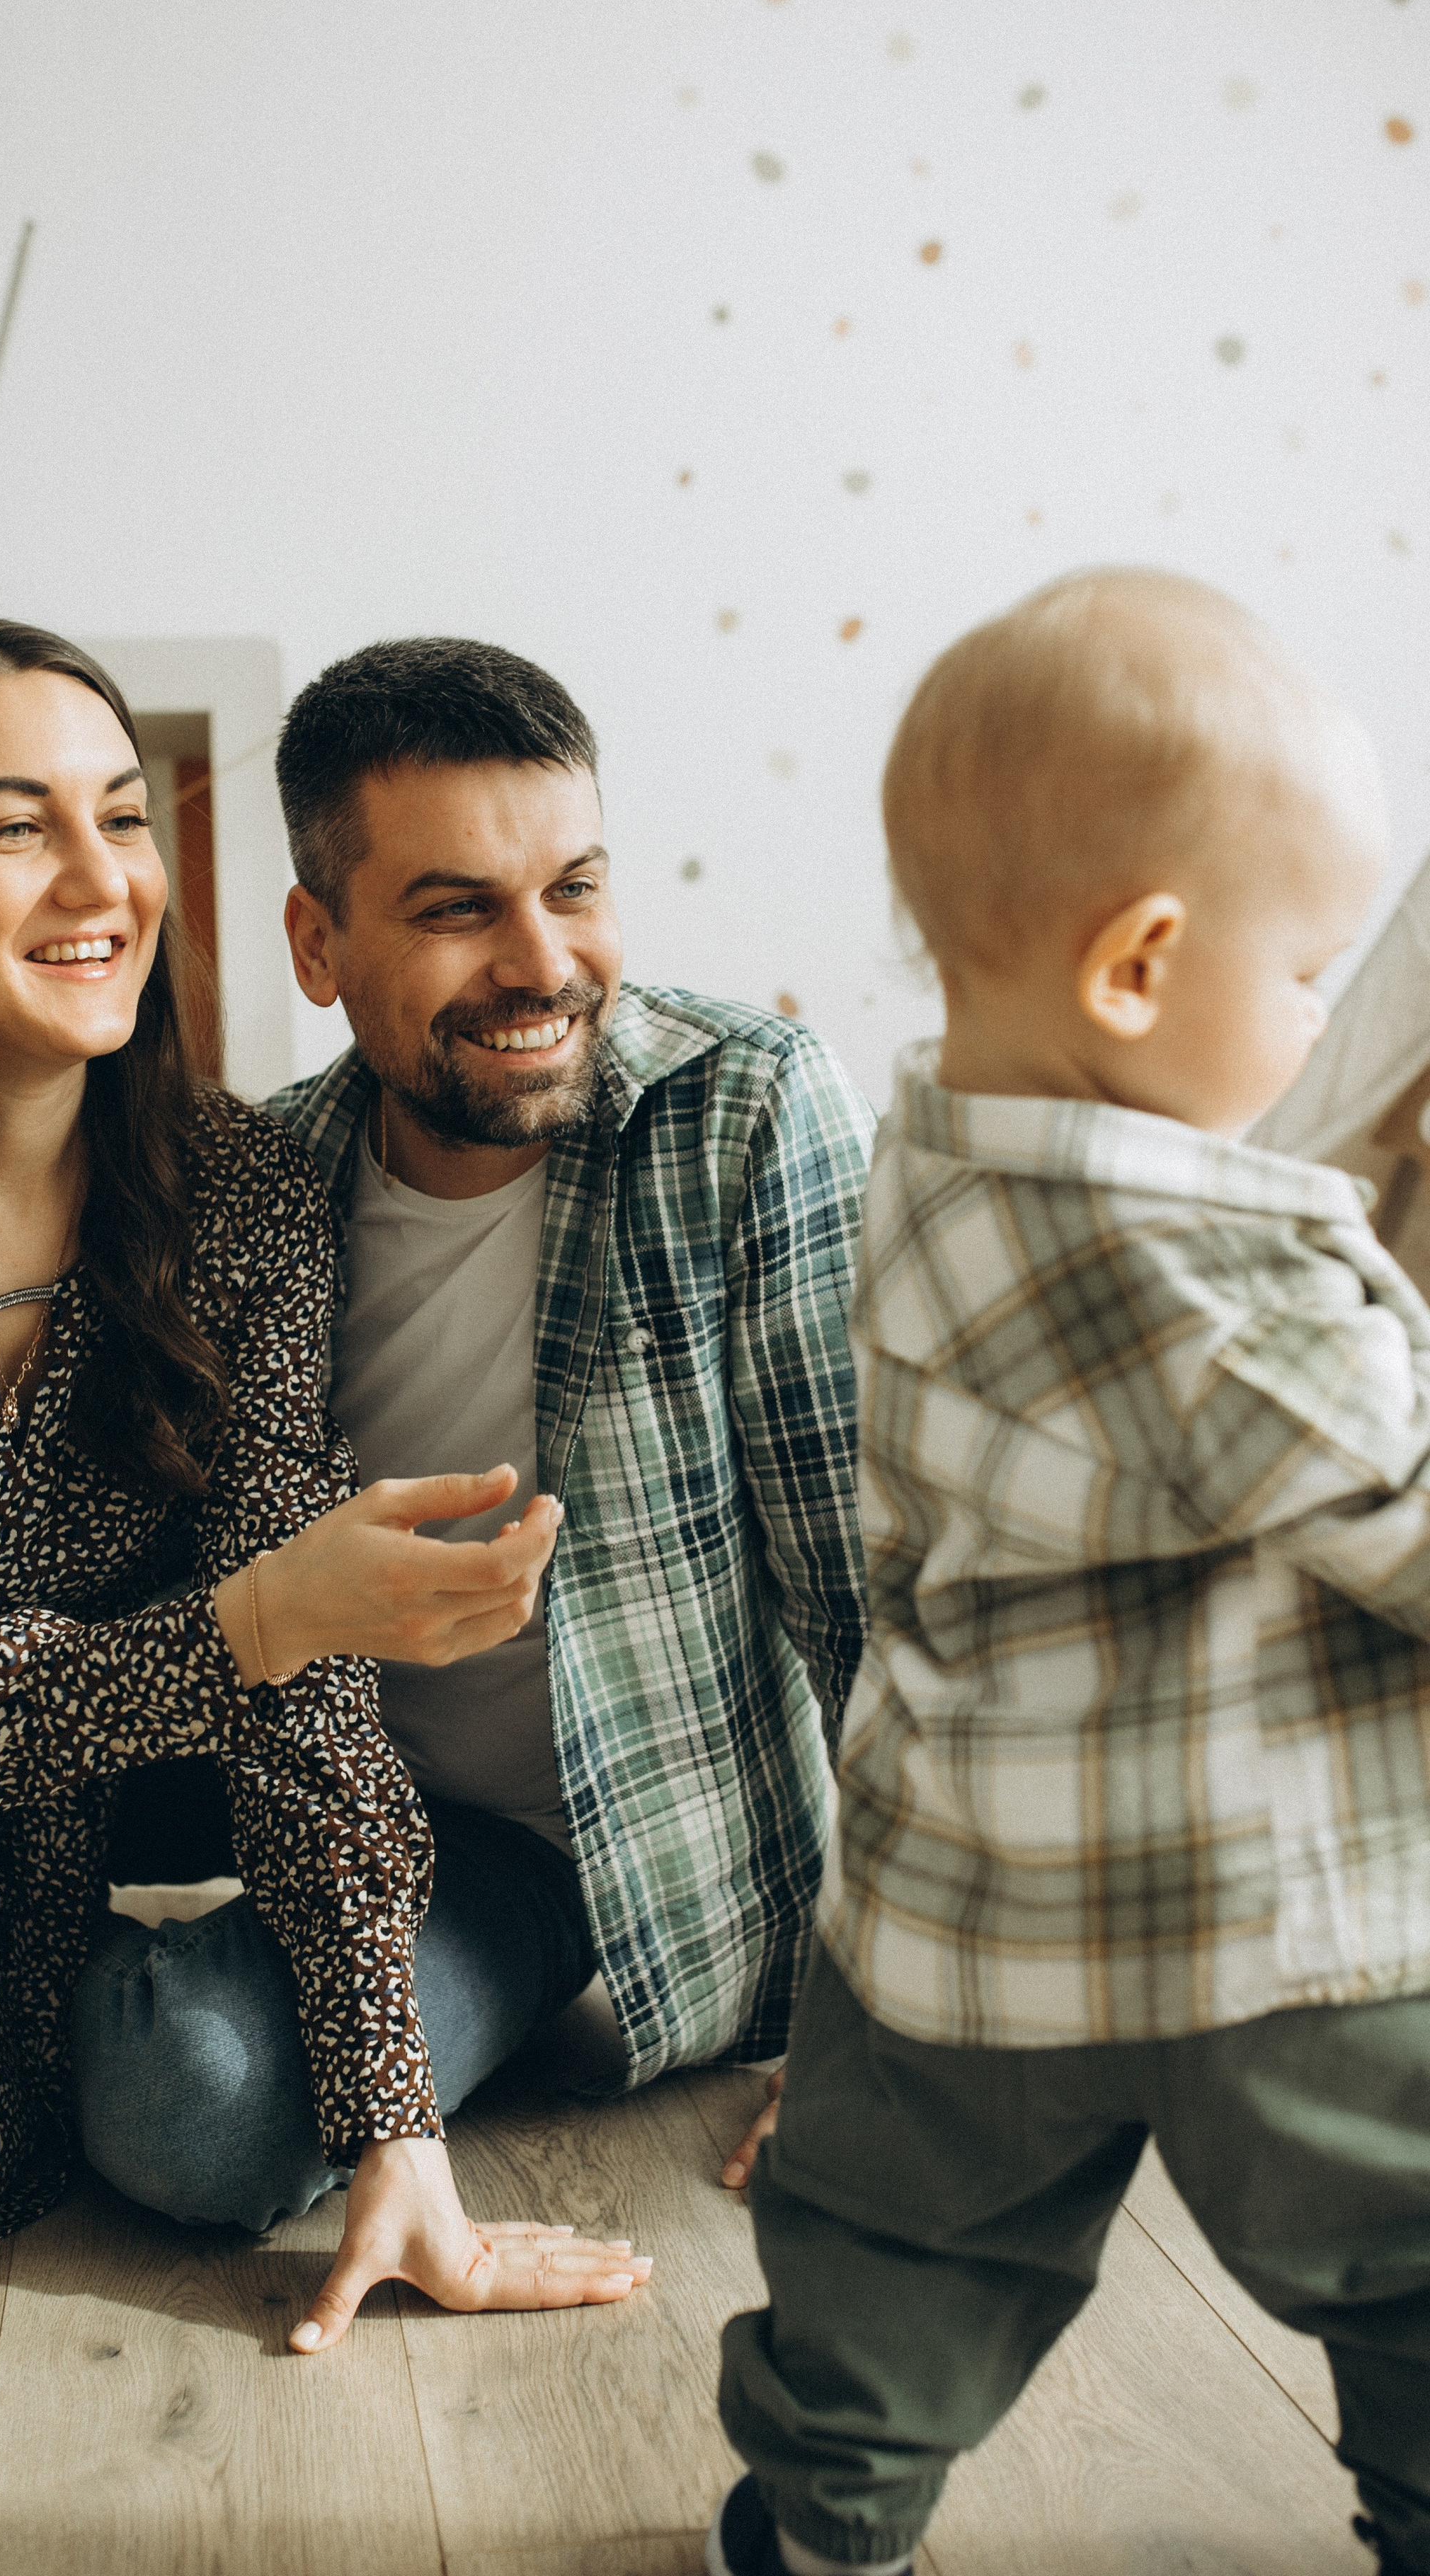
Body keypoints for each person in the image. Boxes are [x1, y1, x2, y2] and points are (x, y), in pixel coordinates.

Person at [0, 621, 647, 2555]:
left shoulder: (236, 1201)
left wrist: (394, 2136)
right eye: (17, 829)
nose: (104, 883)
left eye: (123, 817)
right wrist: (270, 1616)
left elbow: (308, 1707)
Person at [711, 570, 1430, 2576]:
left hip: (964, 1925)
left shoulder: (930, 1170)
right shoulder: (1200, 1272)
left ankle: (826, 2516)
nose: (1318, 1022)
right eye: (1308, 976)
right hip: (1281, 1935)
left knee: (889, 2249)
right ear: (1138, 967)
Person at [75, 636, 873, 2231]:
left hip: (612, 1843)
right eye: (457, 911)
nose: (540, 963)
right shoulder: (256, 1185)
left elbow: (873, 1594)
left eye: (574, 888)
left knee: (187, 2104)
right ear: (319, 945)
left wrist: (902, 2013)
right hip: (350, 1812)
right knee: (153, 2071)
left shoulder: (745, 1110)